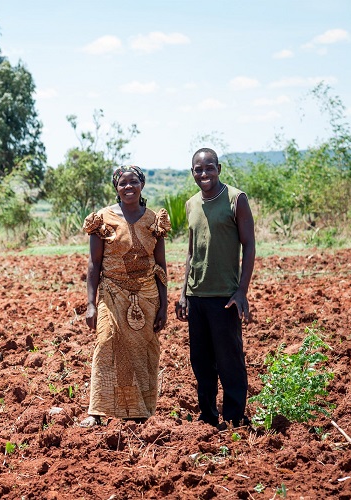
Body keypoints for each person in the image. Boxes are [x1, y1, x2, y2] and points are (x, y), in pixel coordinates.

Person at [81, 165, 171, 427]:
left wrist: (164, 304)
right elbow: (93, 265)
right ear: (116, 188)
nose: (128, 187)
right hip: (111, 292)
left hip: (147, 296)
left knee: (144, 352)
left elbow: (161, 266)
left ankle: (140, 411)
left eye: (134, 182)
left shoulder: (154, 219)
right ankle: (96, 411)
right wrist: (90, 304)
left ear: (142, 184)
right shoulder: (102, 219)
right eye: (123, 184)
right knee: (106, 343)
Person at [175, 147, 256, 429]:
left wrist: (242, 290)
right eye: (199, 169)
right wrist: (184, 293)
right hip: (197, 296)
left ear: (218, 169)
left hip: (225, 296)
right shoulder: (191, 204)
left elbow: (249, 244)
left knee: (229, 360)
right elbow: (189, 252)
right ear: (193, 172)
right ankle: (208, 417)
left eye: (209, 168)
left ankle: (235, 417)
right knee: (201, 361)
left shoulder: (236, 199)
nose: (204, 174)